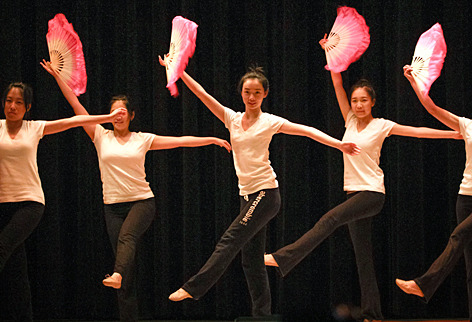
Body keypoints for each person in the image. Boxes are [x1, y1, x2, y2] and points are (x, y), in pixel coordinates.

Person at [263, 37, 462, 322]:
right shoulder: (349, 121)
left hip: (371, 194)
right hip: (352, 193)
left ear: (372, 103)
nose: (357, 105)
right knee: (363, 258)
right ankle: (373, 314)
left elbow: (417, 131)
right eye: (355, 101)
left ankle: (283, 258)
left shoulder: (382, 126)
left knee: (329, 220)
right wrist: (330, 55)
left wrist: (452, 133)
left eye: (363, 101)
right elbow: (337, 85)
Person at [159, 56, 362, 317]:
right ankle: (262, 316)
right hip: (248, 196)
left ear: (265, 94)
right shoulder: (231, 119)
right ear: (241, 93)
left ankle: (194, 287)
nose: (251, 97)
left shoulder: (269, 122)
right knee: (251, 261)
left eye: (257, 92)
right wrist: (178, 71)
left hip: (266, 194)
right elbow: (203, 94)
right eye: (247, 92)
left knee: (230, 239)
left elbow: (308, 130)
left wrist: (339, 145)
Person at [41, 60, 231, 322]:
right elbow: (76, 106)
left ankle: (116, 274)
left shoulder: (142, 139)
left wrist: (210, 139)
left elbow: (179, 142)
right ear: (108, 116)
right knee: (127, 272)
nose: (118, 116)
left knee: (126, 242)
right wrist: (57, 76)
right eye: (113, 113)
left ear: (131, 115)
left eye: (123, 112)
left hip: (141, 203)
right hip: (112, 206)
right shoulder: (99, 136)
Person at [0, 82, 126, 322]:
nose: (12, 106)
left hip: (30, 203)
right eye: (8, 100)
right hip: (3, 204)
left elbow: (73, 121)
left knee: (2, 248)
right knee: (16, 271)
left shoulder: (34, 128)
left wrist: (108, 117)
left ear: (27, 107)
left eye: (18, 102)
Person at [396, 65, 472, 321]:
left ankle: (424, 284)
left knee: (459, 235)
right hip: (465, 198)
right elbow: (432, 108)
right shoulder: (467, 125)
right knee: (469, 264)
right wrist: (414, 81)